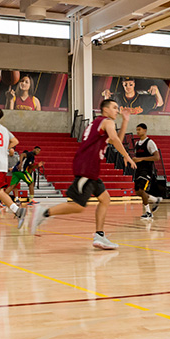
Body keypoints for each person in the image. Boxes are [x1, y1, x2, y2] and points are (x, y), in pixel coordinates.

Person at [30, 99, 136, 250]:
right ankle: (44, 212)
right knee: (78, 206)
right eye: (114, 108)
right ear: (105, 110)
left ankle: (99, 235)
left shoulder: (98, 123)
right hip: (87, 166)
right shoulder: (107, 122)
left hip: (90, 167)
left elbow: (115, 139)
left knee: (105, 199)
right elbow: (114, 139)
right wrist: (126, 155)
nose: (117, 111)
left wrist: (125, 121)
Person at [132, 123, 162, 220]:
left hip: (147, 170)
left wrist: (142, 159)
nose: (137, 132)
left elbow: (157, 157)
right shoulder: (137, 144)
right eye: (137, 130)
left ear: (145, 130)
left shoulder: (150, 142)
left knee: (141, 190)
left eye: (139, 129)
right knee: (137, 192)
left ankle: (148, 212)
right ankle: (155, 199)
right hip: (139, 169)